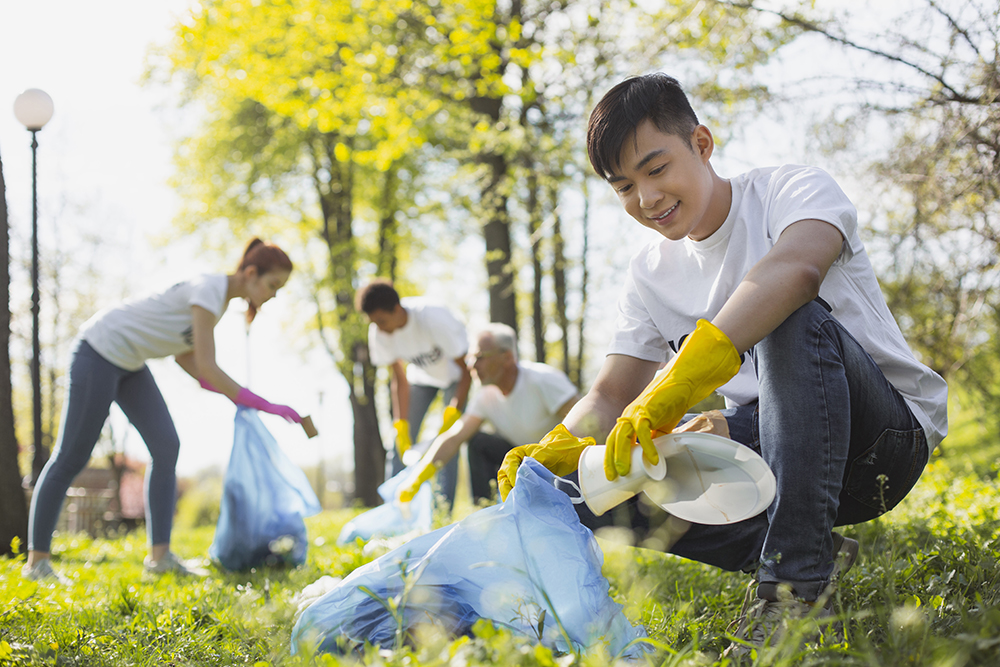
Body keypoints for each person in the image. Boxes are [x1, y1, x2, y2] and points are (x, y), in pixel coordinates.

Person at [497, 73, 948, 656]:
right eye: (624, 187)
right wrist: (553, 451)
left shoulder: (792, 190)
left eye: (656, 170)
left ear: (702, 145)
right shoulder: (649, 272)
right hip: (771, 453)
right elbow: (610, 396)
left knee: (788, 314)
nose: (647, 199)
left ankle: (793, 593)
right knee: (586, 480)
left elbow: (797, 273)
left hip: (879, 440)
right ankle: (801, 549)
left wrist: (682, 381)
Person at [23, 238, 302, 583]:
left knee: (166, 446)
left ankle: (160, 557)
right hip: (99, 351)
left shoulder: (214, 303)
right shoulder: (209, 290)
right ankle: (37, 563)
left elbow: (196, 368)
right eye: (273, 285)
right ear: (250, 273)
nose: (273, 295)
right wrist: (266, 405)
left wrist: (241, 403)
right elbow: (208, 367)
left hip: (130, 363)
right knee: (71, 457)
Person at [397, 323, 579, 505]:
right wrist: (417, 478)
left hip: (562, 463)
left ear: (507, 357)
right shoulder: (485, 397)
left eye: (480, 357)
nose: (471, 366)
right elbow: (454, 438)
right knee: (478, 442)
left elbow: (585, 422)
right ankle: (485, 510)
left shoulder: (543, 379)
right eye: (470, 358)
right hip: (523, 463)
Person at [356, 279, 472, 507]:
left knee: (448, 443)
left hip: (456, 377)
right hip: (421, 379)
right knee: (398, 446)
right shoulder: (379, 332)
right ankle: (393, 508)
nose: (379, 328)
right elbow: (399, 378)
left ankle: (443, 510)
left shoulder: (433, 318)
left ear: (397, 310)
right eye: (374, 323)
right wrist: (401, 424)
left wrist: (454, 411)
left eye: (381, 321)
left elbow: (466, 370)